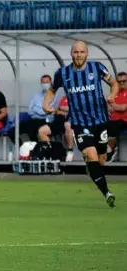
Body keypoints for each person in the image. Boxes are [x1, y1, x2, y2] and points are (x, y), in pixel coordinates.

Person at [44, 40, 118, 208]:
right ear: (71, 54)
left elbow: (113, 83)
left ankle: (91, 169)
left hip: (100, 122)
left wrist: (112, 95)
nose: (78, 55)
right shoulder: (63, 73)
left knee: (100, 161)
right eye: (75, 52)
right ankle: (107, 193)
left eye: (81, 52)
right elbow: (52, 90)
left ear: (87, 53)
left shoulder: (97, 68)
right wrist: (46, 104)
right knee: (91, 156)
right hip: (79, 123)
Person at [38, 94, 75, 162]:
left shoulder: (78, 98)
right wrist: (58, 110)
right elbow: (57, 109)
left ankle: (70, 151)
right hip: (57, 122)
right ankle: (50, 151)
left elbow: (73, 110)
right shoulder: (64, 98)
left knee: (68, 125)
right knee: (42, 131)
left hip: (70, 121)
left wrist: (61, 110)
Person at [106, 71, 127, 162]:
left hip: (125, 120)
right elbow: (108, 108)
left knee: (113, 126)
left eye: (124, 81)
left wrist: (113, 105)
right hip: (114, 120)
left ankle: (111, 151)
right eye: (119, 81)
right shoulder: (113, 92)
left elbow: (123, 108)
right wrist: (116, 107)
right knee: (102, 127)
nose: (121, 83)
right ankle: (110, 151)